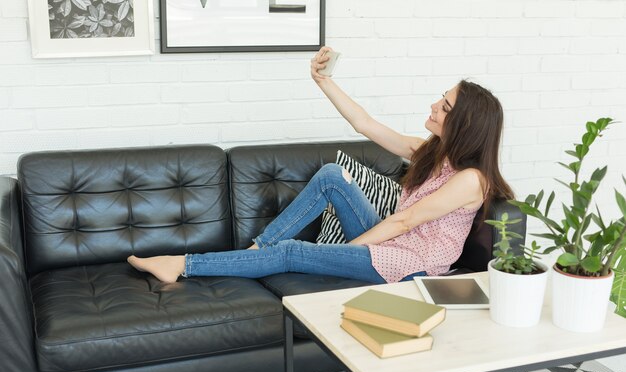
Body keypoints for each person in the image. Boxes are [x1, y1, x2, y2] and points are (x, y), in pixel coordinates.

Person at [128, 46, 514, 284]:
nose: (433, 106)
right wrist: (323, 81)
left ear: (463, 124)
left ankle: (182, 264)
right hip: (392, 244)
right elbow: (365, 124)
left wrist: (348, 251)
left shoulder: (470, 180)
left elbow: (404, 222)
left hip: (413, 266)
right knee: (332, 176)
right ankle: (256, 250)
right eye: (440, 99)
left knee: (293, 253)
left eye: (444, 106)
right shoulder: (429, 152)